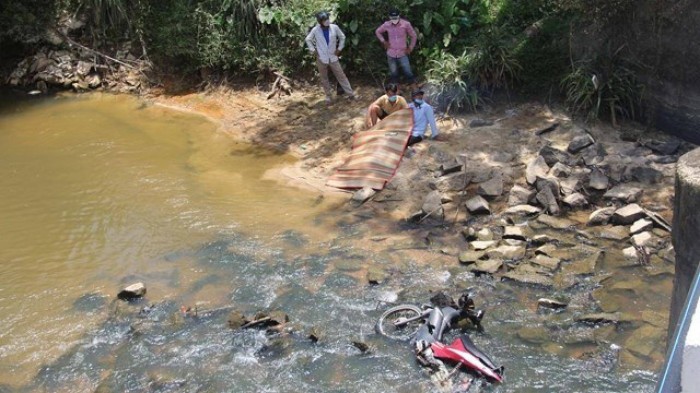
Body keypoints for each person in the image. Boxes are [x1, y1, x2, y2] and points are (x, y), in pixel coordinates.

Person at [305, 11, 356, 105]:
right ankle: (328, 96)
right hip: (321, 58)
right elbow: (308, 39)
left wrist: (339, 48)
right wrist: (313, 50)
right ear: (320, 21)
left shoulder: (334, 27)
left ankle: (350, 94)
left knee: (341, 75)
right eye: (324, 20)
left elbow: (342, 37)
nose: (327, 21)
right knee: (324, 77)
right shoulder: (316, 30)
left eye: (327, 19)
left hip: (333, 56)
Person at [375, 8, 418, 88]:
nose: (394, 20)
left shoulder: (406, 24)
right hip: (391, 53)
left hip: (403, 53)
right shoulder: (386, 24)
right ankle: (396, 91)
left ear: (399, 16)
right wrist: (384, 41)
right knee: (393, 73)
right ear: (389, 17)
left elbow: (414, 36)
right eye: (392, 18)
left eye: (396, 18)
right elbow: (378, 31)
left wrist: (410, 48)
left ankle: (415, 90)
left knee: (408, 71)